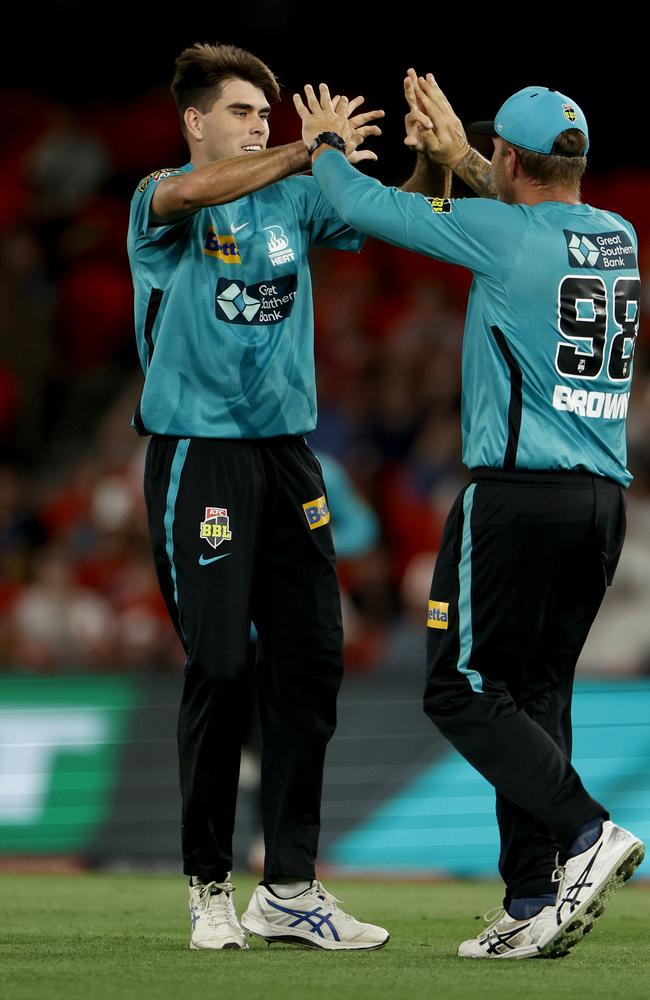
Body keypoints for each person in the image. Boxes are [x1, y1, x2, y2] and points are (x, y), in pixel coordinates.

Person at [293, 73, 645, 959]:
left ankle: (582, 832)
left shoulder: (499, 230)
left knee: (459, 686)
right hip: (603, 502)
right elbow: (530, 215)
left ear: (511, 158)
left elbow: (360, 206)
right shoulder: (618, 235)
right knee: (533, 695)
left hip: (515, 497)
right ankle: (533, 898)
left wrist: (328, 143)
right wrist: (467, 160)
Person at [127, 42, 444, 953]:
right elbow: (193, 196)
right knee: (221, 666)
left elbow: (398, 211)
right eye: (239, 112)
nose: (258, 125)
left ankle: (292, 887)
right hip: (201, 457)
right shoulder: (159, 198)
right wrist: (311, 148)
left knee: (309, 664)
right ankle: (206, 885)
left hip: (289, 459)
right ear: (194, 122)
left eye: (266, 116)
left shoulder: (296, 195)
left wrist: (423, 155)